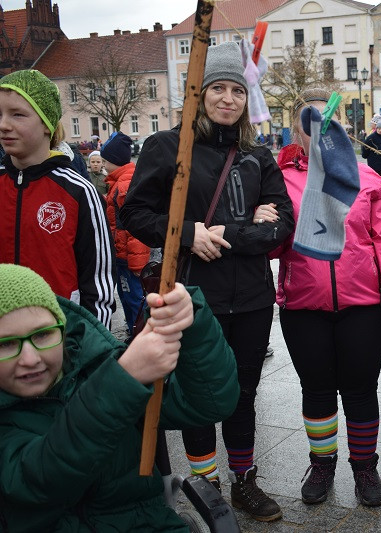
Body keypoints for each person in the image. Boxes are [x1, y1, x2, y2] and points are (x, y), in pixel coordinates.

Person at [120, 41, 295, 522]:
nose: (227, 99)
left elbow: (283, 222)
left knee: (242, 394)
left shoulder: (257, 154)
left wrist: (230, 233)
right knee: (199, 398)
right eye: (216, 88)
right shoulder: (167, 147)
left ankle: (244, 481)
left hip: (254, 298)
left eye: (236, 90)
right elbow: (133, 212)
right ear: (198, 94)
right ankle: (206, 484)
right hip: (193, 297)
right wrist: (187, 233)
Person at [0, 264, 239, 532]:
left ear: (63, 330)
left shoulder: (97, 367)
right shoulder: (115, 378)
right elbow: (38, 481)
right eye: (5, 344)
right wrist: (123, 381)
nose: (30, 359)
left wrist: (192, 323)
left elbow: (211, 403)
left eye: (43, 334)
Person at [262, 88, 381, 507]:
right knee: (317, 390)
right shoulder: (279, 179)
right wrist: (262, 221)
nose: (323, 130)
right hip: (303, 305)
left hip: (363, 306)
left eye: (331, 121)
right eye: (311, 123)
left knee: (361, 390)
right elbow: (272, 247)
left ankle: (364, 467)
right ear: (296, 131)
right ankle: (322, 463)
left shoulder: (368, 178)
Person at [0, 69, 116, 329]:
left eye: (17, 114)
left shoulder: (79, 191)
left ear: (46, 123)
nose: (4, 124)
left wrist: (90, 349)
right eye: (0, 114)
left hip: (61, 339)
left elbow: (99, 283)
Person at [101, 131, 149, 338]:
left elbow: (134, 227)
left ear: (115, 161)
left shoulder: (124, 185)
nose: (103, 165)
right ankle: (134, 331)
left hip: (129, 259)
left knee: (134, 298)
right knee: (127, 295)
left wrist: (137, 263)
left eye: (105, 161)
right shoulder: (118, 183)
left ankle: (140, 334)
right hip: (123, 255)